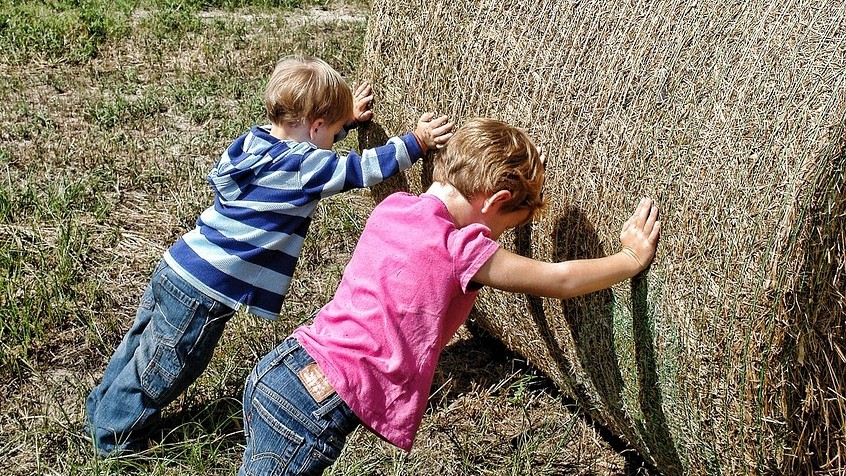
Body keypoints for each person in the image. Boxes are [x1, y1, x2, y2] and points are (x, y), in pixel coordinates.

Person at [238, 117, 662, 475]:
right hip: (317, 405)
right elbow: (560, 280)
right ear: (496, 200)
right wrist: (628, 258)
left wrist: (516, 188)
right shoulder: (462, 251)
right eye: (510, 221)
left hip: (284, 367)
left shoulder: (396, 206)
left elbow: (467, 224)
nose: (500, 237)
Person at [83, 55, 454, 457]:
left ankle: (101, 409)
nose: (333, 142)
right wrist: (416, 142)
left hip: (180, 264)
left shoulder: (255, 141)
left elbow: (307, 149)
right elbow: (361, 169)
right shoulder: (304, 165)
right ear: (314, 127)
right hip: (206, 290)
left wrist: (343, 122)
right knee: (165, 366)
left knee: (138, 345)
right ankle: (116, 441)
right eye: (330, 132)